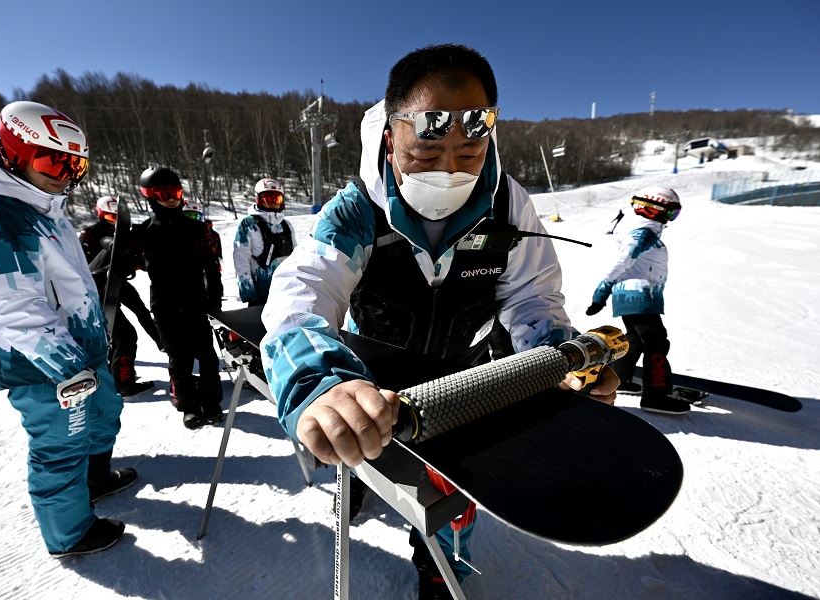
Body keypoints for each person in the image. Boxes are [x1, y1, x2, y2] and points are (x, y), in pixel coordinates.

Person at [259, 44, 619, 598]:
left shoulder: (506, 206)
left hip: (464, 377)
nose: (449, 169)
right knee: (357, 441)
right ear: (390, 134)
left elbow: (532, 297)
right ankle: (354, 486)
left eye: (469, 151)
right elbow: (303, 291)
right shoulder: (356, 210)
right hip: (368, 375)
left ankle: (441, 569)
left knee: (454, 492)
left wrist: (558, 356)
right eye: (425, 153)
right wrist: (317, 378)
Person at [0, 101, 136, 557]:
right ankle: (69, 534)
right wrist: (67, 363)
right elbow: (14, 307)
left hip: (79, 348)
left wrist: (93, 341)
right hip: (42, 362)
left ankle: (96, 478)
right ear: (13, 150)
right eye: (54, 159)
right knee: (60, 444)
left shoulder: (44, 204)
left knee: (103, 414)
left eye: (77, 165)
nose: (66, 174)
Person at [129, 167, 225, 429]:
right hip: (165, 307)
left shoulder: (197, 229)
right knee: (179, 359)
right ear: (150, 196)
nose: (172, 198)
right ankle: (189, 407)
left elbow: (212, 269)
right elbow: (127, 263)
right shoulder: (143, 233)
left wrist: (215, 302)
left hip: (196, 302)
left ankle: (212, 402)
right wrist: (111, 247)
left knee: (207, 356)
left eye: (176, 192)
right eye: (164, 193)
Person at [586, 186, 689, 414]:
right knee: (656, 343)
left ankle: (621, 380)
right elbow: (623, 261)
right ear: (652, 209)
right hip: (639, 295)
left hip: (630, 295)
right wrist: (601, 291)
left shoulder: (639, 229)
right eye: (670, 212)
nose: (670, 219)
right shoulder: (644, 232)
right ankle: (656, 397)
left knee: (635, 338)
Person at [78, 196, 161, 396]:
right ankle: (123, 383)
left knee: (142, 312)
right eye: (109, 215)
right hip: (97, 286)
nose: (113, 220)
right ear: (100, 214)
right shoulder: (90, 234)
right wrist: (111, 245)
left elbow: (134, 258)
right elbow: (84, 262)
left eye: (116, 216)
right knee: (124, 335)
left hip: (117, 281)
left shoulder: (126, 234)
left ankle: (162, 343)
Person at [233, 178, 297, 306]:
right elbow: (241, 259)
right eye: (268, 199)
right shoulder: (248, 225)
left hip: (287, 295)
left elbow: (296, 258)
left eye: (276, 199)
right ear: (258, 199)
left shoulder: (286, 226)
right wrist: (248, 290)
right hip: (261, 295)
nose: (273, 204)